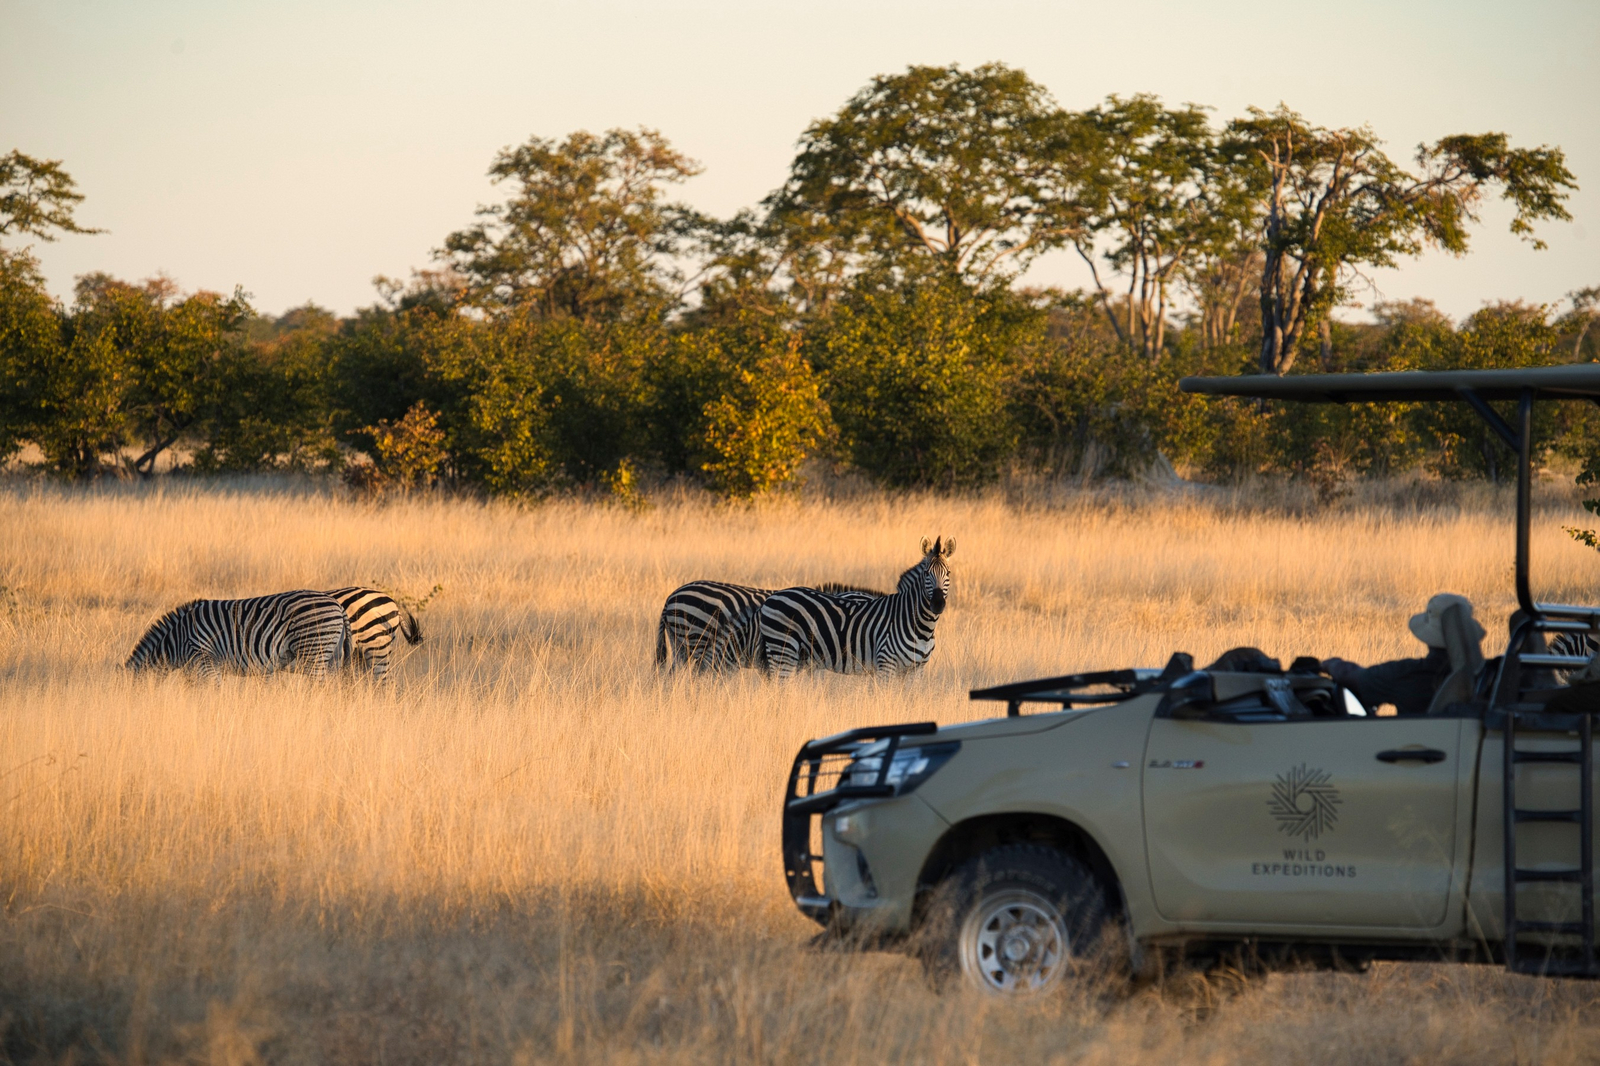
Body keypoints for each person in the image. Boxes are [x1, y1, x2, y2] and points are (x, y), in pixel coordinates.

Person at [1323, 593, 1485, 716]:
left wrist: (1327, 664)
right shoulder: (1487, 676)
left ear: (1428, 637)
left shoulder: (1408, 674)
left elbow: (1351, 675)